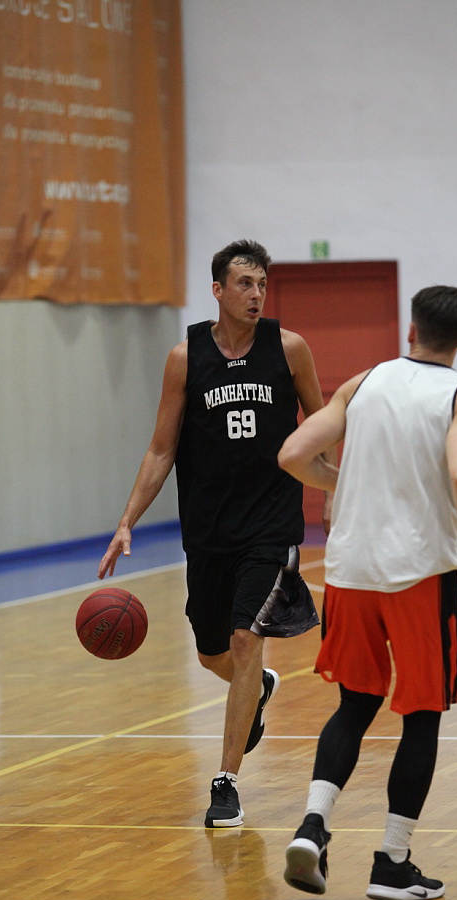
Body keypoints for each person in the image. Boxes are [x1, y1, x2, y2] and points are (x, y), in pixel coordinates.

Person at [278, 284, 457, 900]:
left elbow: (294, 453)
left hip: (349, 571)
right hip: (419, 574)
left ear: (411, 330)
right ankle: (392, 862)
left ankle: (313, 826)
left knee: (354, 705)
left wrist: (341, 481)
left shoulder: (364, 382)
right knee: (421, 713)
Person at [98, 239, 328, 828]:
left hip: (270, 526)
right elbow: (161, 449)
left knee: (246, 640)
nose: (256, 295)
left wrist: (334, 490)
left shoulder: (289, 349)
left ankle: (225, 783)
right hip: (207, 530)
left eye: (262, 285)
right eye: (245, 284)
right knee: (212, 653)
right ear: (218, 290)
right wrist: (126, 522)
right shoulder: (186, 357)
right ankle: (259, 687)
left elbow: (323, 425)